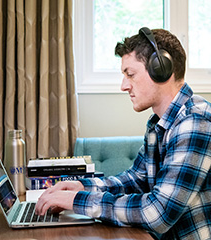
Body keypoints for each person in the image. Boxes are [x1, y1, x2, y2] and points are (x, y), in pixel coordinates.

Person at [35, 27, 211, 239]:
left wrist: (77, 201)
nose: (123, 86)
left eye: (130, 74)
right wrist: (82, 186)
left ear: (161, 68)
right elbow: (136, 180)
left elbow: (157, 213)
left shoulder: (195, 121)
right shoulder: (158, 124)